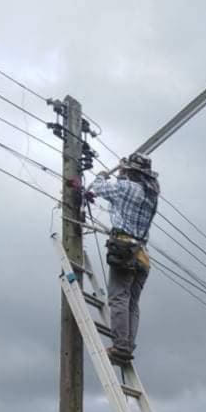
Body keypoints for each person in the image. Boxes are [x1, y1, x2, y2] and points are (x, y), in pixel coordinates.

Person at [88, 154, 160, 364]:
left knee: (119, 297)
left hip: (124, 248)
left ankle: (120, 347)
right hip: (142, 255)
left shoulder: (126, 188)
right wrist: (122, 173)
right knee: (132, 303)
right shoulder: (150, 195)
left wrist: (103, 174)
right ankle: (127, 345)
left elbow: (98, 187)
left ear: (130, 171)